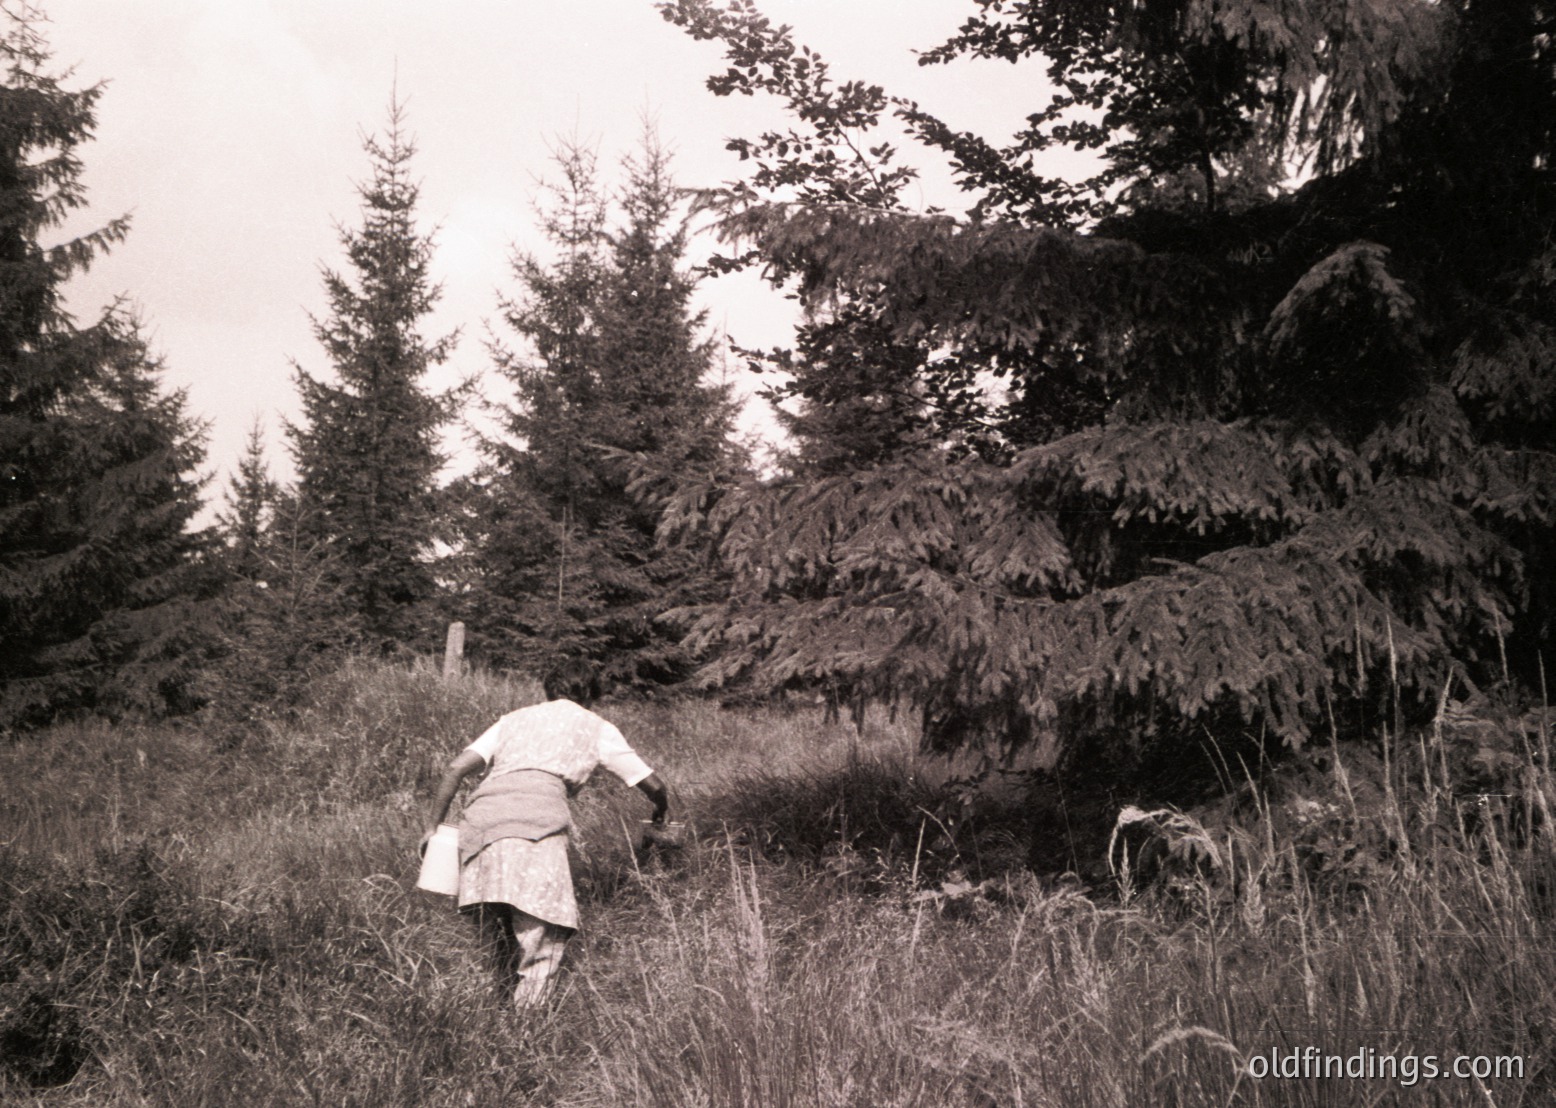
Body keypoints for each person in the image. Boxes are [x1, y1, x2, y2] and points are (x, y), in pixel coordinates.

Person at [422, 660, 670, 1006]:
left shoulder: (513, 719)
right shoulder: (595, 726)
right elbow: (653, 784)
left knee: (493, 943)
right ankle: (524, 1041)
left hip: (480, 825)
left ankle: (483, 1024)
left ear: (549, 690)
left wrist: (432, 828)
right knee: (542, 940)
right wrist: (661, 809)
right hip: (535, 827)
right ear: (590, 694)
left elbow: (455, 768)